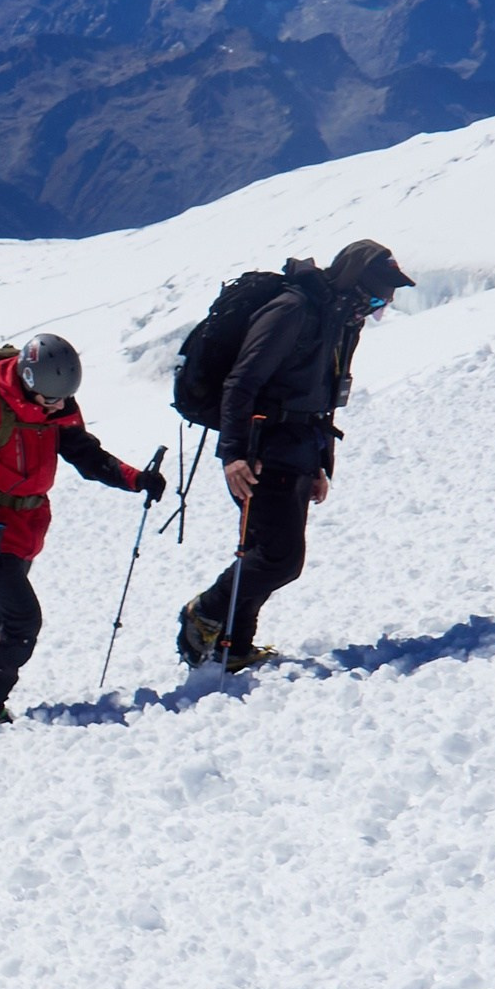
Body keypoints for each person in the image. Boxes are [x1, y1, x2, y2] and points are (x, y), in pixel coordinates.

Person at [179, 240, 414, 669]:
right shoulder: (293, 310)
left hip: (299, 449)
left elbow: (323, 396)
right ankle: (205, 612)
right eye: (376, 298)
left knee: (260, 551)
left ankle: (234, 647)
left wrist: (322, 464)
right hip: (262, 450)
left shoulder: (339, 319)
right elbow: (241, 383)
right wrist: (233, 455)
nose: (376, 309)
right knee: (279, 559)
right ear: (354, 284)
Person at [0, 334, 163, 731]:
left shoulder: (58, 406)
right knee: (21, 620)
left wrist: (135, 479)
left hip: (27, 526)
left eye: (64, 398)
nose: (58, 406)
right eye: (50, 398)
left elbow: (85, 455)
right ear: (29, 381)